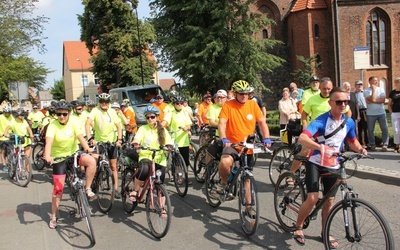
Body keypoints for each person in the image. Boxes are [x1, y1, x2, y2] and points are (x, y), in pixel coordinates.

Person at [292, 87, 368, 248]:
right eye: (339, 102)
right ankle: (298, 227)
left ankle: (325, 232)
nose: (343, 105)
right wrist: (320, 148)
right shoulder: (321, 120)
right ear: (330, 103)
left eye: (346, 102)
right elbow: (303, 138)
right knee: (312, 198)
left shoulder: (349, 122)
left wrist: (361, 149)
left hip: (333, 164)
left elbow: (352, 141)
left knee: (329, 201)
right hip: (316, 162)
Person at [216, 80, 271, 217]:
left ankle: (248, 206)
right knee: (225, 162)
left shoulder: (253, 105)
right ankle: (223, 183)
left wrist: (266, 138)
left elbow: (262, 122)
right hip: (232, 144)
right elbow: (222, 123)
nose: (244, 96)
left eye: (247, 93)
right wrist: (224, 139)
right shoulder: (228, 105)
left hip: (248, 146)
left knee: (247, 176)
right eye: (241, 93)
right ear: (235, 94)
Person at [43, 101, 96, 229]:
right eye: (59, 114)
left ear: (69, 114)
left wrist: (88, 148)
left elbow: (80, 137)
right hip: (58, 158)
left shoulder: (73, 122)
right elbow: (48, 143)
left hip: (73, 154)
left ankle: (88, 188)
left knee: (91, 161)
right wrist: (47, 156)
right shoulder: (53, 126)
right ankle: (54, 216)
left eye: (64, 114)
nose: (61, 116)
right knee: (58, 189)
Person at [127, 106, 173, 218]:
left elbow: (169, 142)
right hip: (145, 156)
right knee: (144, 169)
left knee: (160, 182)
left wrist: (170, 146)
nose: (150, 119)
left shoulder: (163, 130)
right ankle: (136, 190)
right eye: (148, 118)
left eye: (152, 117)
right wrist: (136, 143)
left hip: (159, 159)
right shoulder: (143, 129)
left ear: (157, 117)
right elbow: (137, 138)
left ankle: (162, 208)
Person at [85, 93, 123, 199]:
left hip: (111, 141)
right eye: (102, 102)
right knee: (94, 161)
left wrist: (119, 140)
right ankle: (93, 182)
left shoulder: (112, 111)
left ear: (109, 103)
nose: (104, 104)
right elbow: (87, 124)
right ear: (99, 102)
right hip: (99, 141)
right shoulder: (95, 110)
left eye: (106, 102)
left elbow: (119, 127)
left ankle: (116, 189)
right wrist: (90, 139)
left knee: (113, 166)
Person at [162, 96, 193, 173]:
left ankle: (186, 176)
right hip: (174, 140)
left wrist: (187, 128)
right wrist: (159, 127)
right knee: (176, 160)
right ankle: (177, 175)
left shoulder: (185, 113)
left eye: (181, 103)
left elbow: (189, 124)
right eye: (177, 103)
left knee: (186, 160)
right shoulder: (171, 113)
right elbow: (165, 122)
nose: (179, 105)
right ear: (174, 104)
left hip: (184, 140)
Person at [4, 109, 35, 176]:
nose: (22, 117)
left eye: (22, 115)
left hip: (26, 140)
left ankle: (28, 171)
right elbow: (6, 131)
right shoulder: (12, 122)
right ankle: (14, 164)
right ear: (17, 116)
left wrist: (31, 135)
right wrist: (7, 135)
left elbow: (29, 129)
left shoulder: (24, 121)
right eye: (21, 115)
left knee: (26, 158)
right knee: (17, 156)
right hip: (17, 141)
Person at [364, 76, 389, 151]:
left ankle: (385, 145)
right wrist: (374, 90)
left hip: (381, 112)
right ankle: (372, 145)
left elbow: (383, 100)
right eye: (374, 80)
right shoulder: (366, 91)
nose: (376, 82)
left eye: (377, 80)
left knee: (385, 129)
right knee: (371, 130)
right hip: (370, 114)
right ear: (370, 82)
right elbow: (371, 98)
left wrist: (373, 100)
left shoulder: (381, 89)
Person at [354, 80, 369, 148]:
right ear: (355, 86)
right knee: (359, 128)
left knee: (366, 126)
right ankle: (361, 143)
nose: (360, 86)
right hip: (357, 111)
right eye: (358, 85)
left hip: (365, 110)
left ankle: (367, 142)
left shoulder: (365, 93)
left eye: (361, 85)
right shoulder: (354, 94)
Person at [0, 106, 14, 170]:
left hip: (10, 136)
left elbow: (14, 124)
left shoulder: (11, 117)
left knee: (12, 151)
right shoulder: (1, 117)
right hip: (2, 137)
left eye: (9, 112)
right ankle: (4, 165)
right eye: (6, 112)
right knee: (3, 152)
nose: (8, 114)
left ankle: (11, 162)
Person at [388, 77, 400, 152]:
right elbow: (389, 104)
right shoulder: (393, 93)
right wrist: (391, 113)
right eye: (398, 82)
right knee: (396, 130)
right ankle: (397, 145)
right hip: (395, 113)